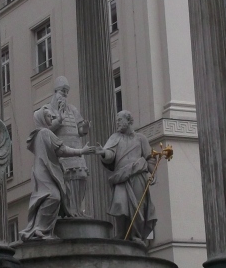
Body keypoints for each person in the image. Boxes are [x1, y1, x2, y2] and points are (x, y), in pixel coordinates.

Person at [21, 107, 98, 240]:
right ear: (41, 119)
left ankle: (39, 228)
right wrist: (81, 151)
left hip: (43, 170)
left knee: (49, 197)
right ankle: (39, 228)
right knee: (53, 196)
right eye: (48, 116)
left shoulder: (39, 134)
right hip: (46, 171)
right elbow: (62, 150)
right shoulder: (45, 132)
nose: (52, 117)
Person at [98, 110, 157, 243]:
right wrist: (103, 153)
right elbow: (110, 154)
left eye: (120, 120)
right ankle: (121, 233)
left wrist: (153, 173)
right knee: (119, 203)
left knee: (138, 206)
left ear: (129, 121)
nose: (117, 123)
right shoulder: (115, 137)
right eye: (117, 120)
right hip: (121, 177)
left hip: (138, 175)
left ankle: (136, 235)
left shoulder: (141, 138)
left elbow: (149, 158)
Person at [48, 77, 91, 216]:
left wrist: (85, 128)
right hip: (62, 152)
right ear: (56, 91)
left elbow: (80, 130)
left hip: (77, 150)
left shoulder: (72, 109)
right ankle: (70, 211)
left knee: (81, 177)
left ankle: (77, 209)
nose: (65, 94)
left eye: (67, 92)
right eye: (62, 91)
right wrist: (59, 118)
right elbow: (47, 129)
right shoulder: (49, 109)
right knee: (66, 180)